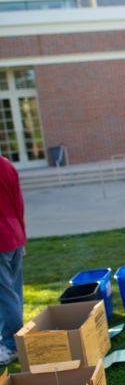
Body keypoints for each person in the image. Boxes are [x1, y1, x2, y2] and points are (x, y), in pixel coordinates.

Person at [0, 156, 26, 365]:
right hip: (14, 234)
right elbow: (19, 203)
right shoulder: (6, 165)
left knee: (6, 296)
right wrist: (22, 236)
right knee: (14, 293)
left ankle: (12, 345)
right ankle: (12, 340)